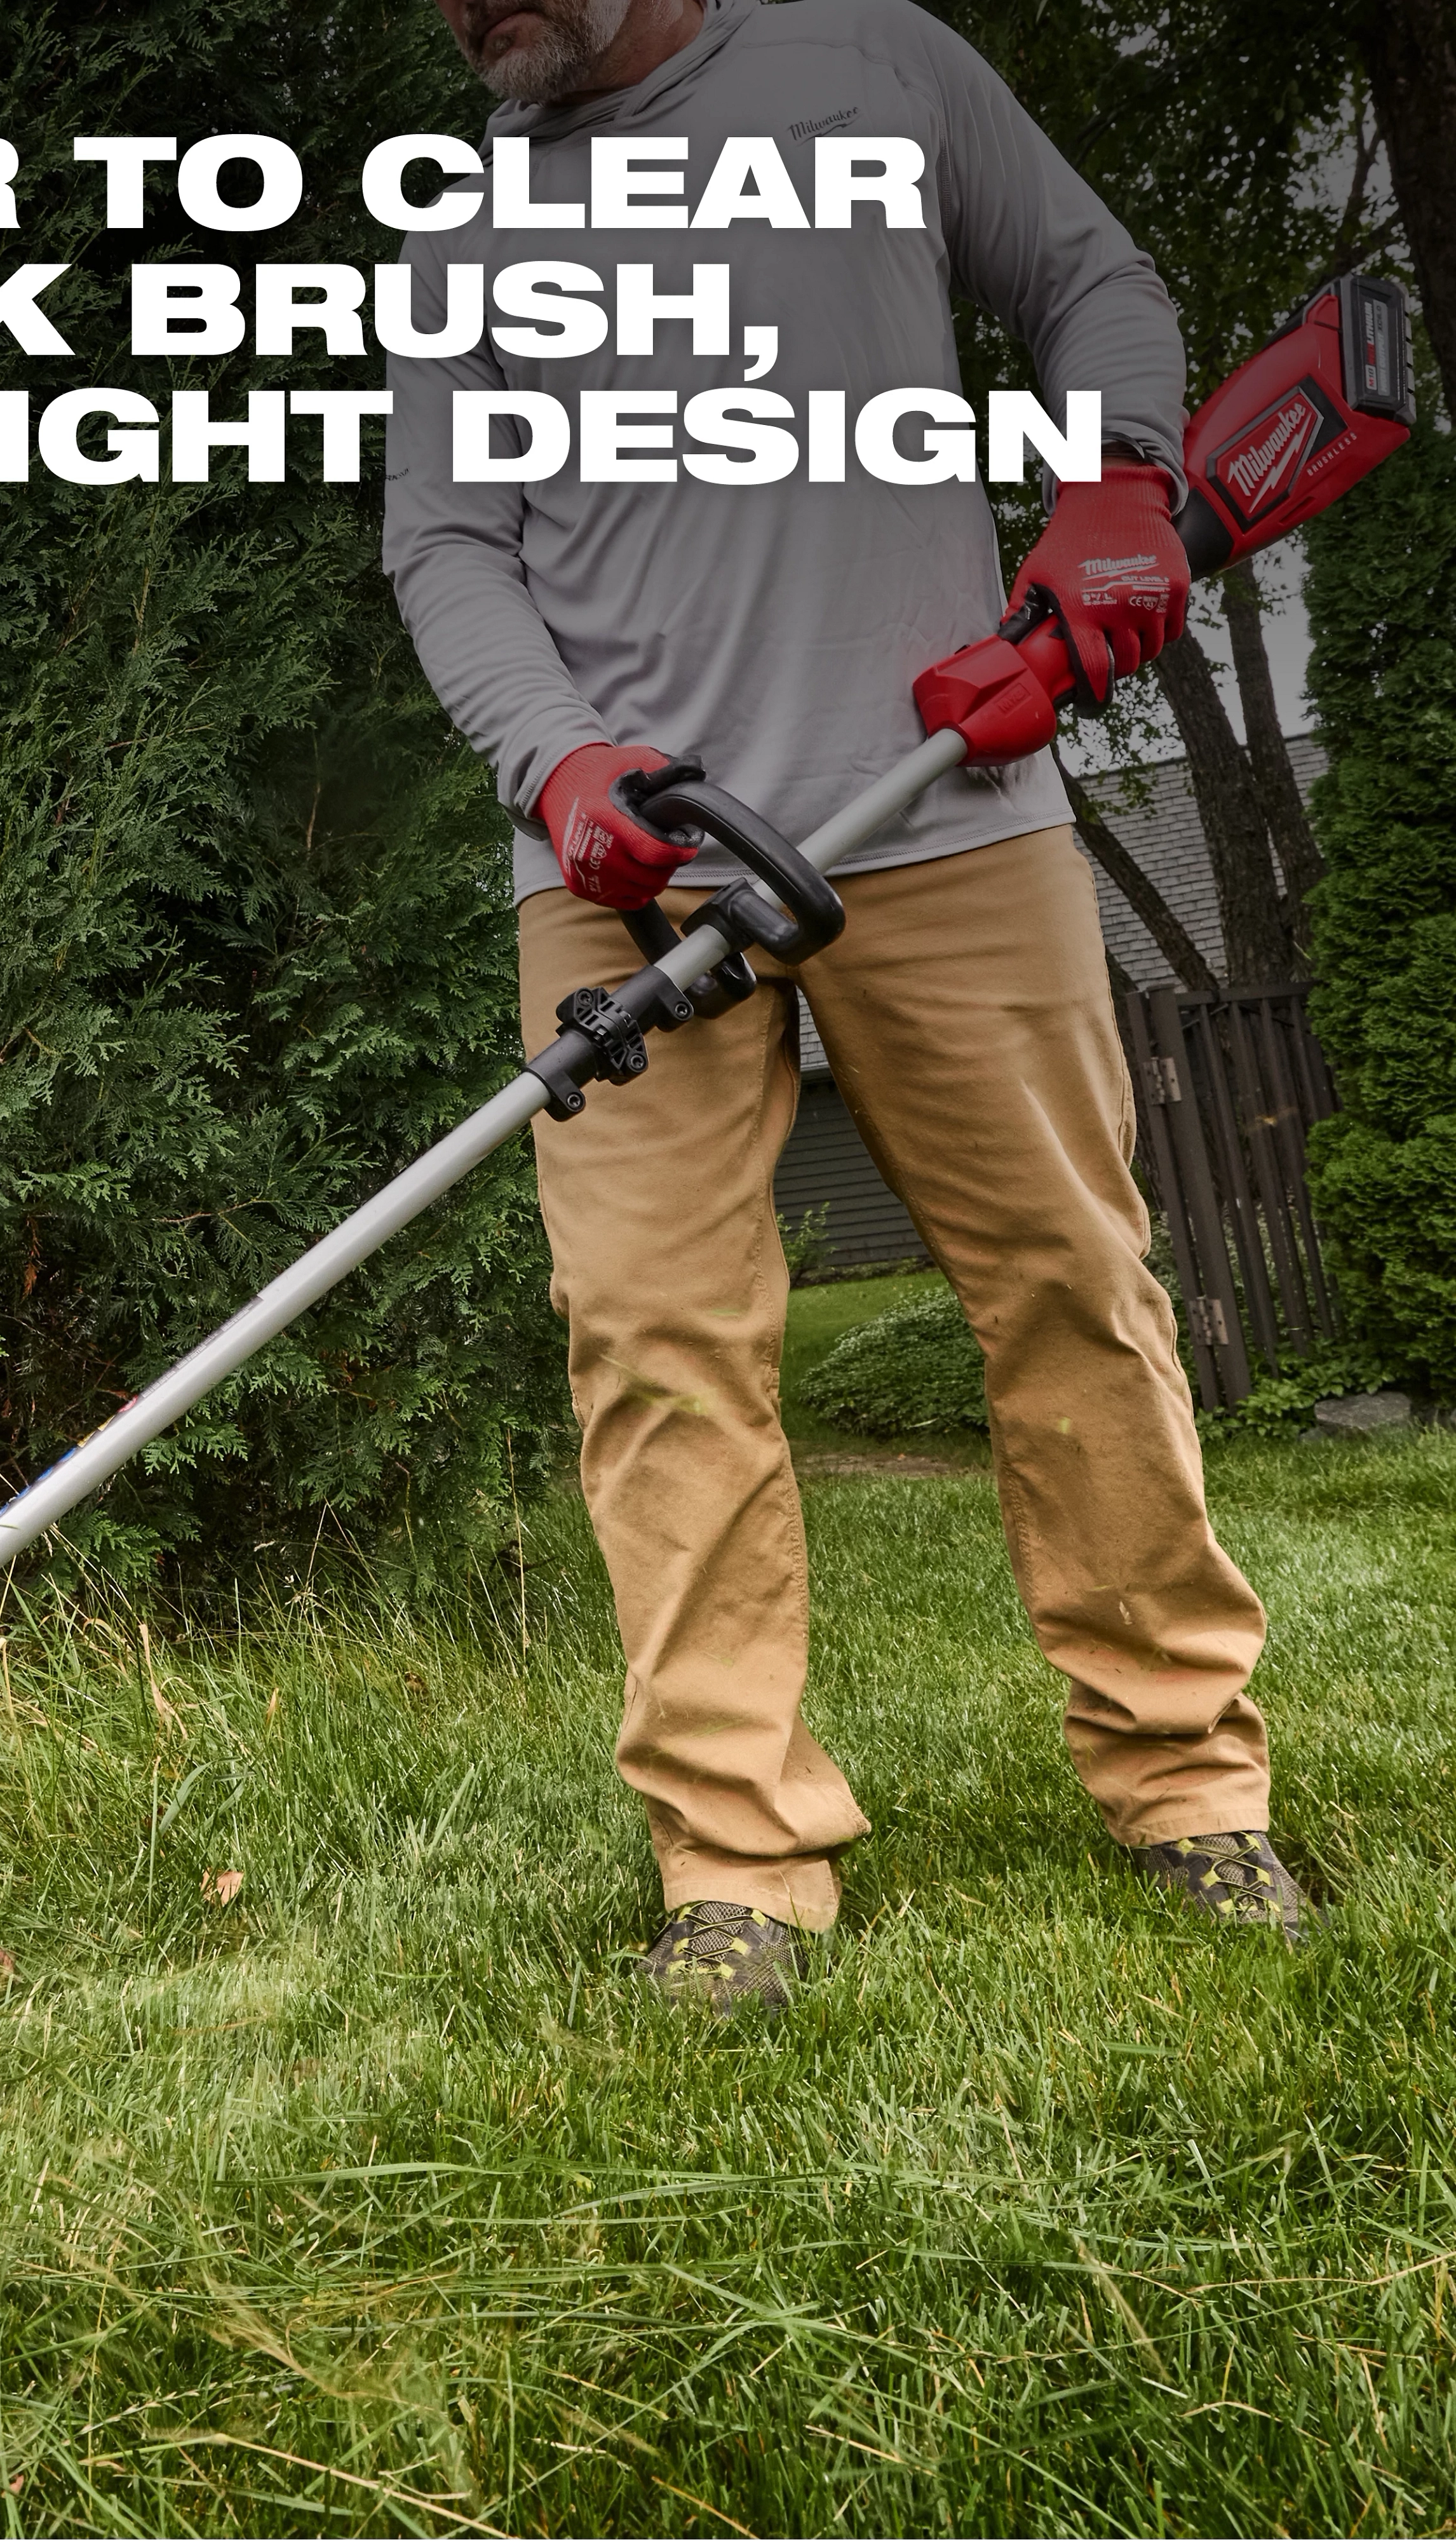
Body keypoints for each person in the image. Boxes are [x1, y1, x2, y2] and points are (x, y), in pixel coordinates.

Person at [382, 0, 1305, 2012]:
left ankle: (1188, 1791)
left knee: (1073, 1283)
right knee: (654, 1348)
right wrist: (554, 760)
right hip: (623, 873)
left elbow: (1087, 283)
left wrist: (1118, 487)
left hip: (945, 815)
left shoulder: (876, 64)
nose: (475, 11)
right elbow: (448, 539)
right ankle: (737, 1865)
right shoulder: (460, 220)